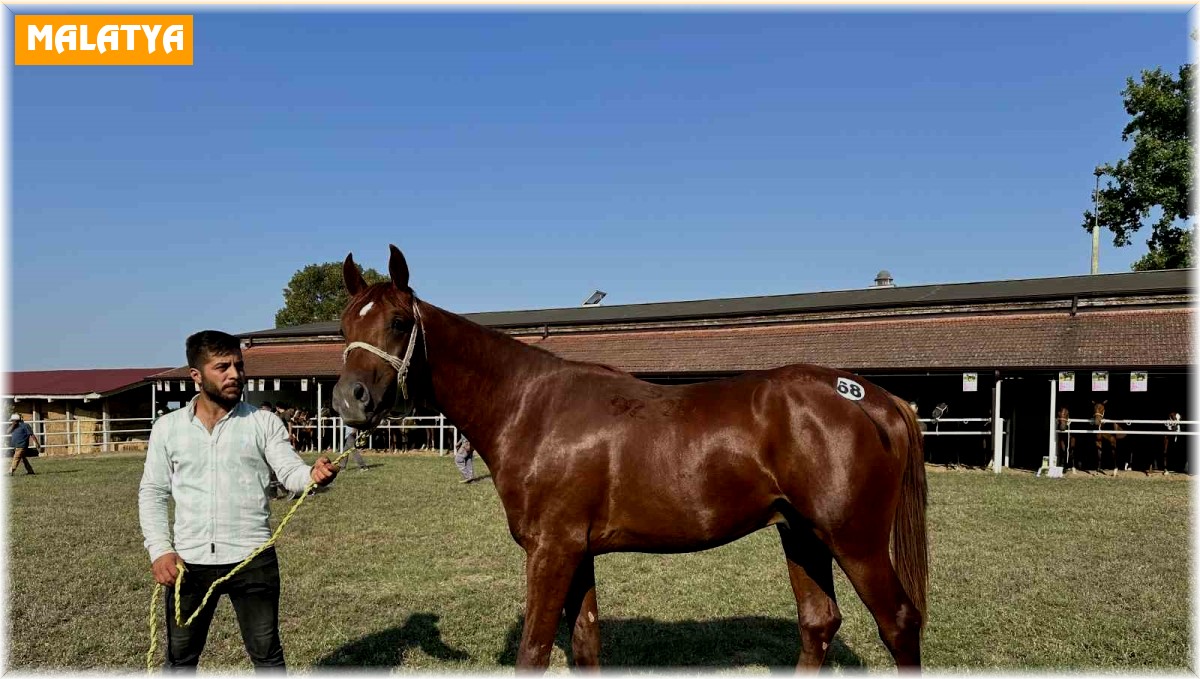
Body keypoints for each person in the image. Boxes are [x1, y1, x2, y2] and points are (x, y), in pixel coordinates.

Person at [138, 330, 339, 672]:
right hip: (189, 562)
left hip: (253, 558)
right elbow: (153, 491)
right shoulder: (168, 428)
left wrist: (312, 475)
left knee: (267, 655)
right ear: (196, 375)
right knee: (180, 659)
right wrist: (160, 550)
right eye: (222, 367)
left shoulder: (264, 422)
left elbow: (290, 472)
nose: (234, 374)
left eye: (238, 366)